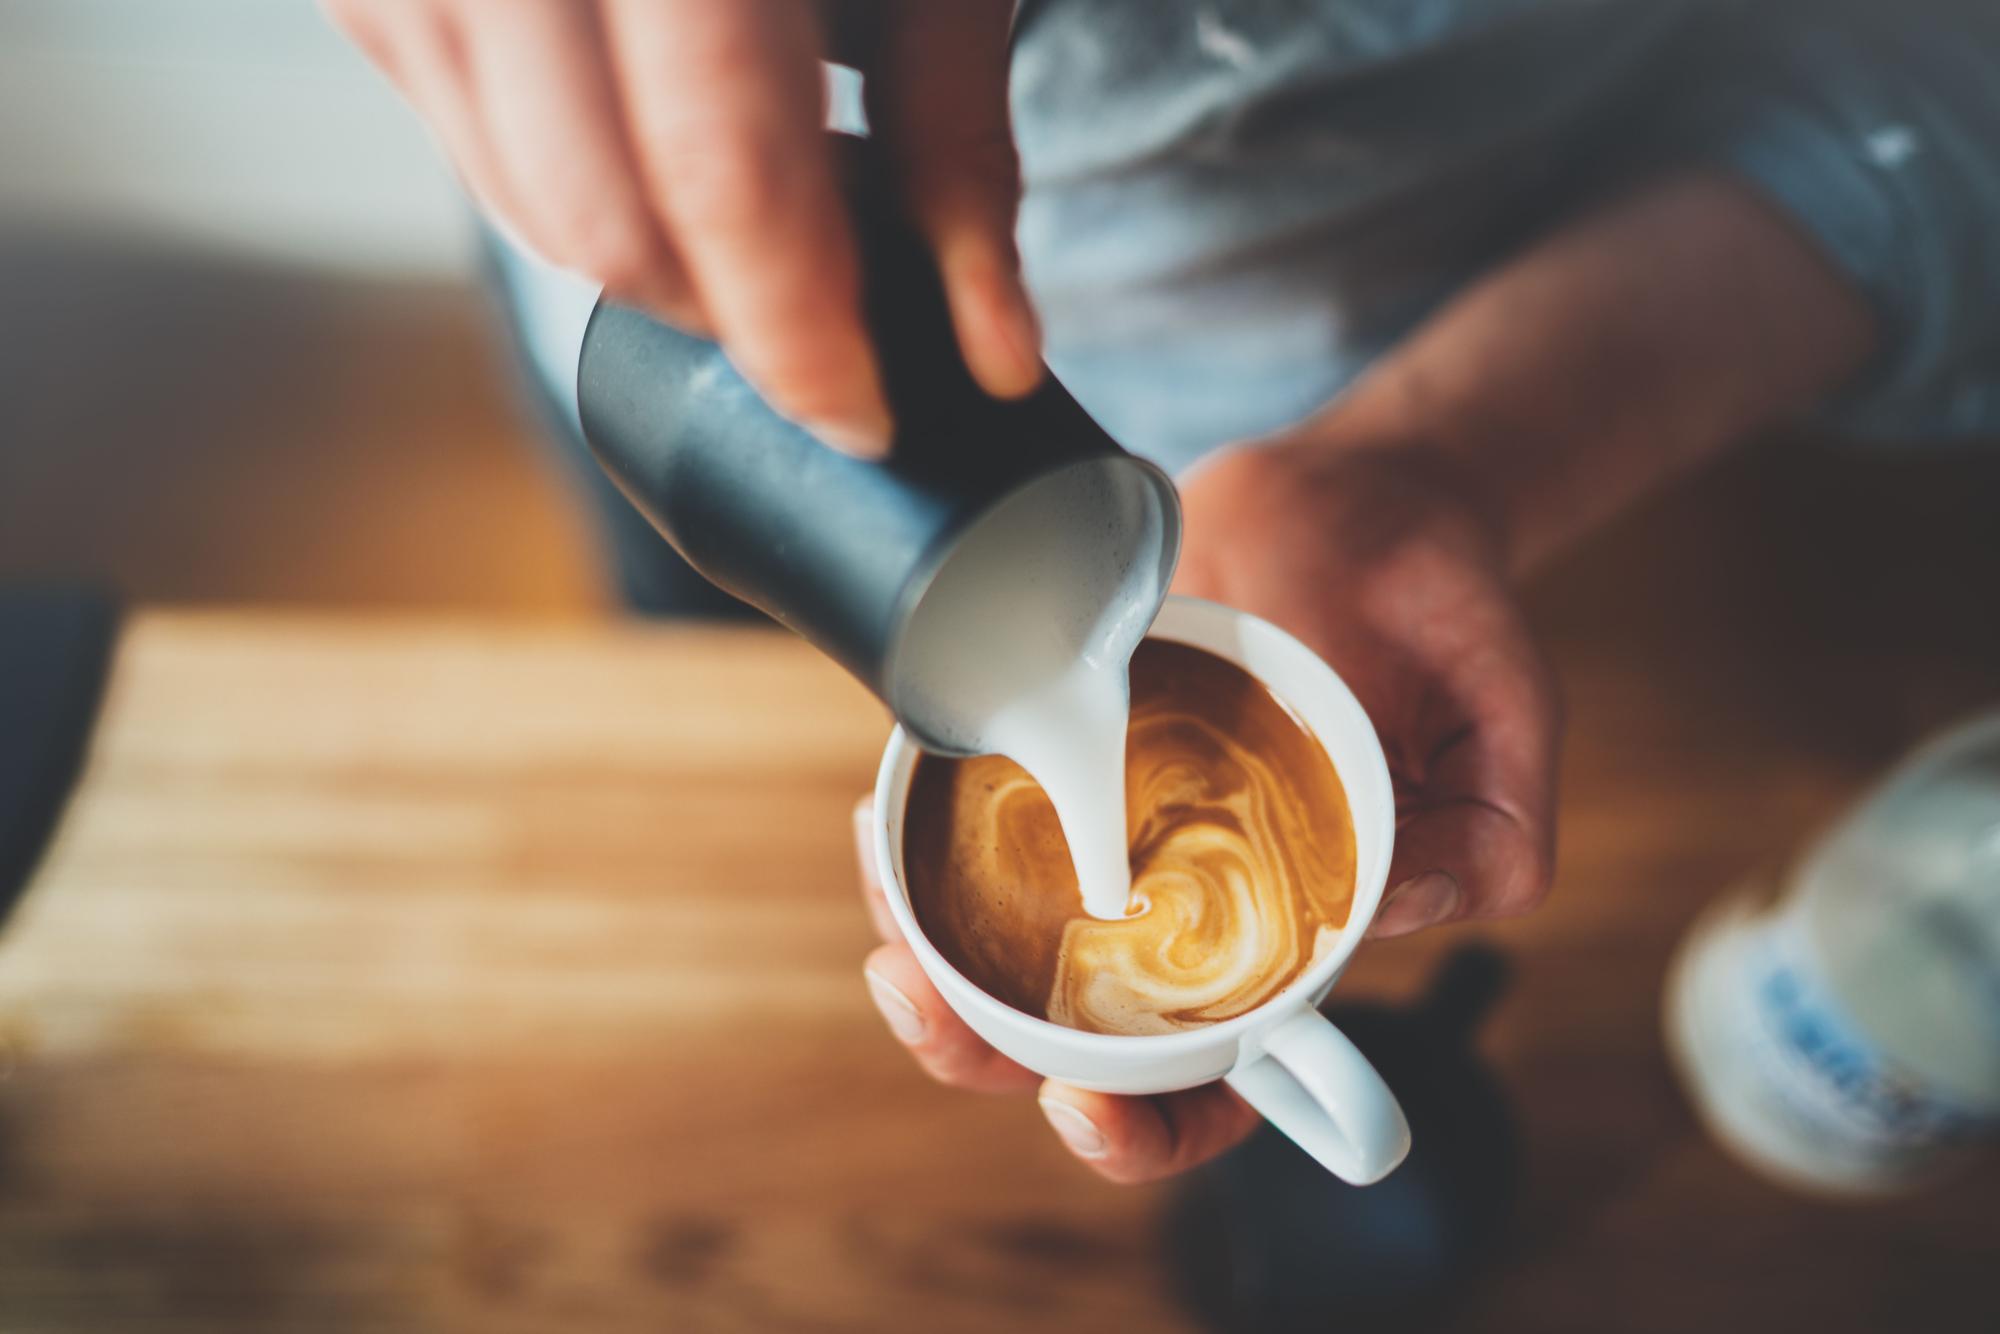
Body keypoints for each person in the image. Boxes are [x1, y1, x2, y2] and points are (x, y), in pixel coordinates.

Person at [327, 0, 2000, 1182]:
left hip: (1455, 321)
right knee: (681, 681)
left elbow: (1947, 82)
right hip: (696, 334)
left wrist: (1443, 452)